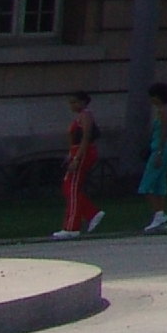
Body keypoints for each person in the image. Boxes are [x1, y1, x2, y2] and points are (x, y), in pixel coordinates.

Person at [52, 92, 102, 238]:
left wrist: (77, 158)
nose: (72, 106)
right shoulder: (80, 116)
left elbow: (85, 138)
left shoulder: (86, 115)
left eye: (75, 102)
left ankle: (72, 227)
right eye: (71, 103)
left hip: (82, 153)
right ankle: (91, 212)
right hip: (76, 152)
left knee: (72, 187)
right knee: (68, 187)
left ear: (83, 102)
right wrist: (70, 154)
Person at [136, 82, 167, 232]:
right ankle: (159, 217)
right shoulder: (164, 111)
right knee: (159, 185)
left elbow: (163, 133)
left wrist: (159, 152)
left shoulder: (162, 112)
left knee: (146, 185)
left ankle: (159, 213)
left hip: (159, 149)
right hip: (161, 148)